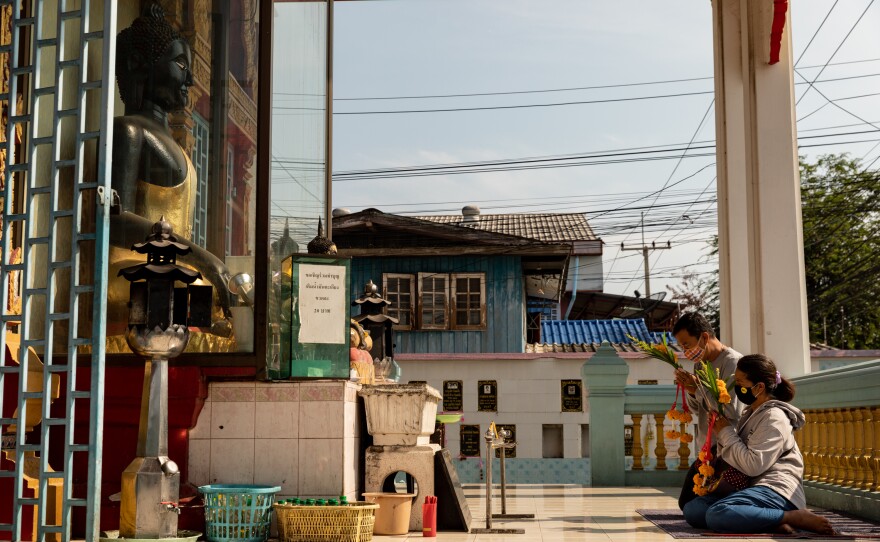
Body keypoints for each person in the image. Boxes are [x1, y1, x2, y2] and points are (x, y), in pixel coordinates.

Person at [108, 4, 236, 351]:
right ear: (139, 65)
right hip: (132, 271)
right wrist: (200, 256)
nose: (190, 80)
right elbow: (111, 220)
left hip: (172, 267)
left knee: (239, 297)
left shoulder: (174, 147)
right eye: (181, 64)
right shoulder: (129, 130)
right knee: (189, 292)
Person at [682, 354, 834, 535]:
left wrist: (725, 431)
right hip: (750, 488)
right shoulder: (751, 412)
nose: (736, 388)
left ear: (759, 387)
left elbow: (754, 466)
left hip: (775, 489)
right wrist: (719, 433)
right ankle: (768, 521)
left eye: (740, 382)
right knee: (694, 510)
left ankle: (791, 517)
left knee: (717, 514)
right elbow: (736, 456)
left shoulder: (774, 418)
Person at [672, 312, 744, 509]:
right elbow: (698, 408)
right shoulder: (700, 365)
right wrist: (690, 390)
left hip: (727, 447)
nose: (686, 351)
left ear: (704, 337)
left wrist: (697, 390)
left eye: (687, 344)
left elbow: (730, 410)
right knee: (686, 502)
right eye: (682, 347)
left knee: (694, 505)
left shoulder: (733, 363)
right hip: (707, 448)